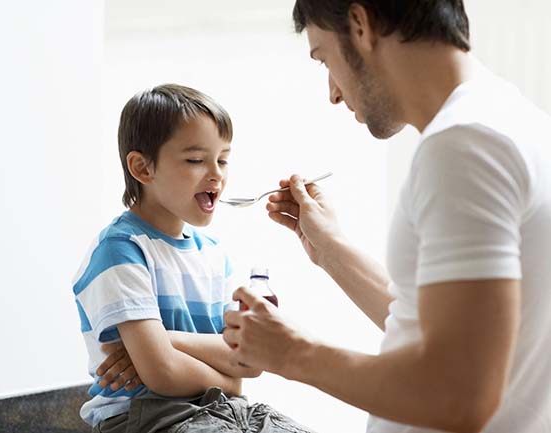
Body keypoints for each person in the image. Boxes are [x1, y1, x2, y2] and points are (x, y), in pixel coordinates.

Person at [222, 1, 551, 433]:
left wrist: (289, 352)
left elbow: (459, 395)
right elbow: (434, 327)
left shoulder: (464, 145)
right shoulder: (510, 119)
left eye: (324, 58)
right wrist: (330, 249)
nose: (333, 93)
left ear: (360, 24)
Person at [72, 84, 314, 433]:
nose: (216, 174)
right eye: (196, 160)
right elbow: (164, 374)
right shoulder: (121, 250)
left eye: (223, 159)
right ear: (142, 168)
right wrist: (226, 382)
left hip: (222, 410)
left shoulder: (213, 253)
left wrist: (164, 339)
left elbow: (248, 362)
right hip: (146, 417)